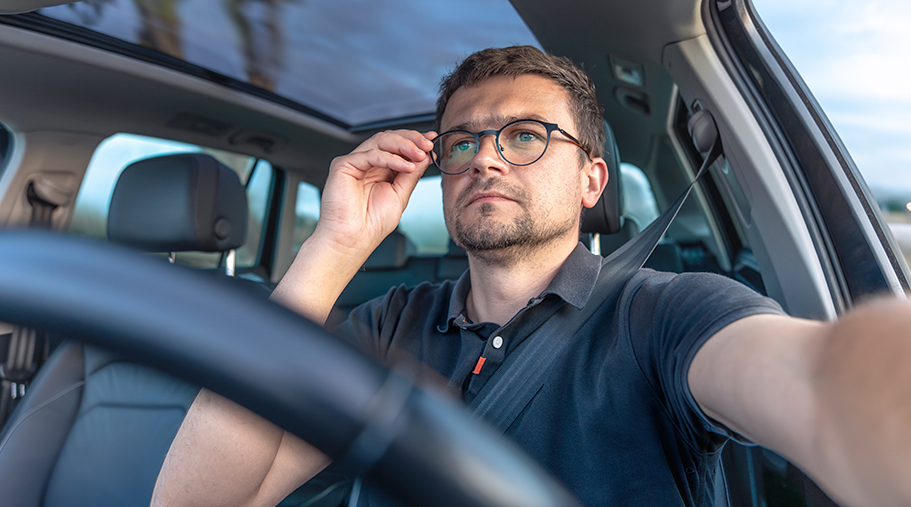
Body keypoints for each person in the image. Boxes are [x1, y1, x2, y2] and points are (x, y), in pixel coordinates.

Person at [151, 46, 911, 507]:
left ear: (590, 180)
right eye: (460, 144)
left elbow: (820, 383)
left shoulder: (669, 314)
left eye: (523, 136)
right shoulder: (387, 324)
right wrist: (336, 245)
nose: (483, 157)